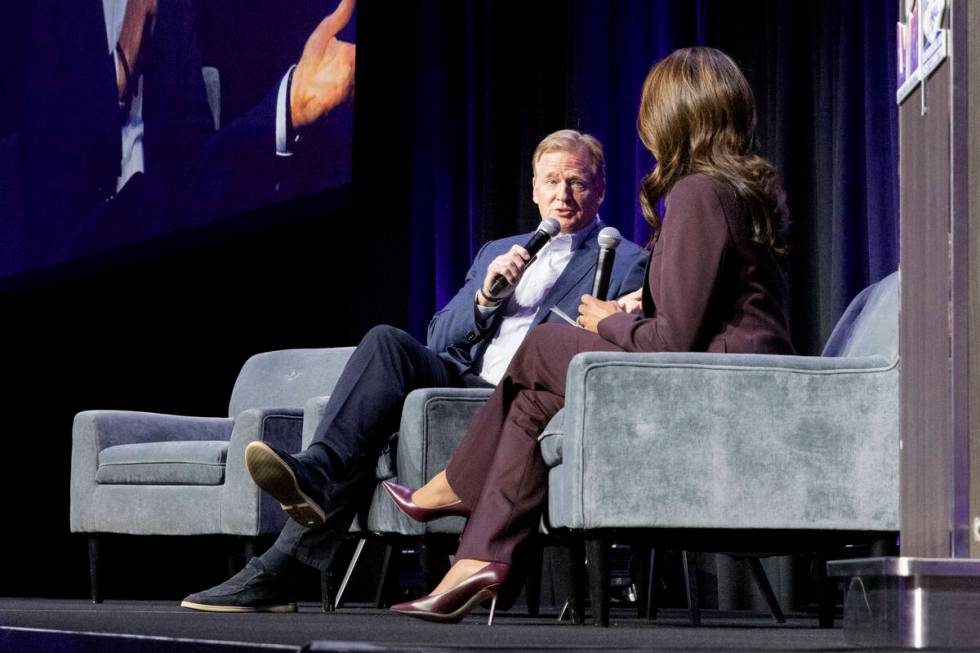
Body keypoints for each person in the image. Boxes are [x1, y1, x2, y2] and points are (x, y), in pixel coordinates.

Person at [383, 46, 796, 624]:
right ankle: (479, 559)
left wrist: (609, 319)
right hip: (718, 372)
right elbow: (700, 308)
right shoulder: (727, 187)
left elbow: (670, 342)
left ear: (674, 114)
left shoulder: (699, 192)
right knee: (533, 400)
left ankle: (456, 486)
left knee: (546, 344)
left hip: (721, 388)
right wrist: (643, 304)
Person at [179, 129, 648, 612]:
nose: (562, 195)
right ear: (533, 188)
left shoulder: (629, 261)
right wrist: (487, 299)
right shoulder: (497, 251)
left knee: (368, 424)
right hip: (463, 380)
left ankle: (279, 570)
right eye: (551, 181)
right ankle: (317, 470)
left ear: (600, 189)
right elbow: (439, 339)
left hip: (524, 397)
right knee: (387, 342)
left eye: (576, 182)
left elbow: (609, 360)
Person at [19, 0, 355, 267]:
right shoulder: (45, 8)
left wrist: (291, 106)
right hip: (70, 243)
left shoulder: (176, 7)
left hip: (159, 232)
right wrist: (126, 53)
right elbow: (48, 163)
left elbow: (198, 166)